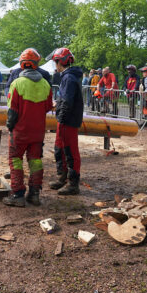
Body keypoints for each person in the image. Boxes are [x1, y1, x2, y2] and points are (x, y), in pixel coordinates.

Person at [3, 48, 53, 207]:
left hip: (20, 131)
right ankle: (34, 194)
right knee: (36, 161)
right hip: (38, 132)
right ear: (36, 64)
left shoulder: (17, 83)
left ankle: (17, 194)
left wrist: (10, 126)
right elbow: (47, 107)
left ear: (22, 64)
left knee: (15, 159)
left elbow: (12, 111)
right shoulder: (45, 84)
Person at [48, 47, 83, 195]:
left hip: (68, 119)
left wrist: (62, 116)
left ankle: (73, 184)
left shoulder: (69, 78)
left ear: (60, 62)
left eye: (56, 62)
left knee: (70, 150)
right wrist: (58, 103)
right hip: (64, 117)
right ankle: (62, 177)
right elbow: (65, 98)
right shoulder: (67, 76)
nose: (55, 65)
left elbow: (68, 101)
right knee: (59, 148)